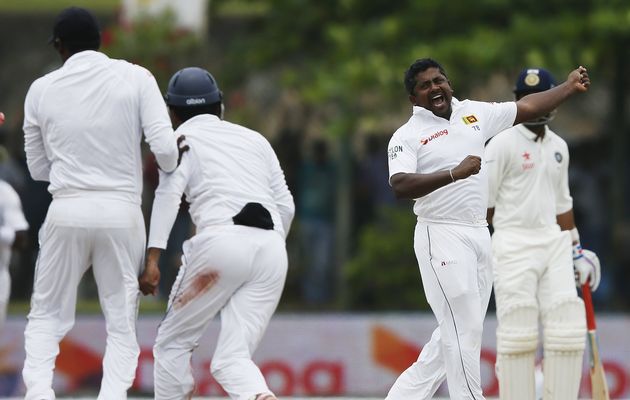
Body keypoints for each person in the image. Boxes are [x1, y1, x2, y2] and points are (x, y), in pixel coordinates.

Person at [385, 58, 590, 400]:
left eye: (439, 80)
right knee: (462, 331)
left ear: (449, 83)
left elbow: (526, 107)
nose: (435, 87)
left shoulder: (474, 113)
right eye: (425, 85)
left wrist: (568, 87)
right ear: (414, 99)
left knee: (458, 331)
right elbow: (400, 184)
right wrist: (454, 173)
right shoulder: (407, 135)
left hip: (480, 234)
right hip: (441, 233)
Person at [21, 7, 183, 399]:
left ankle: (39, 394)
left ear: (60, 47)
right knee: (120, 320)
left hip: (67, 209)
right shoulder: (136, 77)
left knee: (46, 315)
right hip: (121, 212)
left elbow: (39, 170)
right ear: (100, 41)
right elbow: (165, 151)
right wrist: (169, 161)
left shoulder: (40, 89)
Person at [139, 67, 295, 400]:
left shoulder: (179, 141)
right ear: (219, 106)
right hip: (272, 249)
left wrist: (153, 258)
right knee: (232, 359)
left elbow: (167, 196)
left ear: (172, 112)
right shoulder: (255, 139)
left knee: (172, 344)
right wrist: (267, 248)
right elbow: (286, 205)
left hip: (220, 244)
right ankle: (259, 395)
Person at [485, 67, 599, 399]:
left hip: (554, 242)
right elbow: (485, 208)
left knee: (567, 329)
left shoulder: (559, 146)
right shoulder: (502, 144)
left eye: (541, 98)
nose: (534, 105)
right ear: (518, 101)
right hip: (513, 241)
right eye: (526, 99)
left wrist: (576, 249)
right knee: (518, 332)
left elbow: (563, 203)